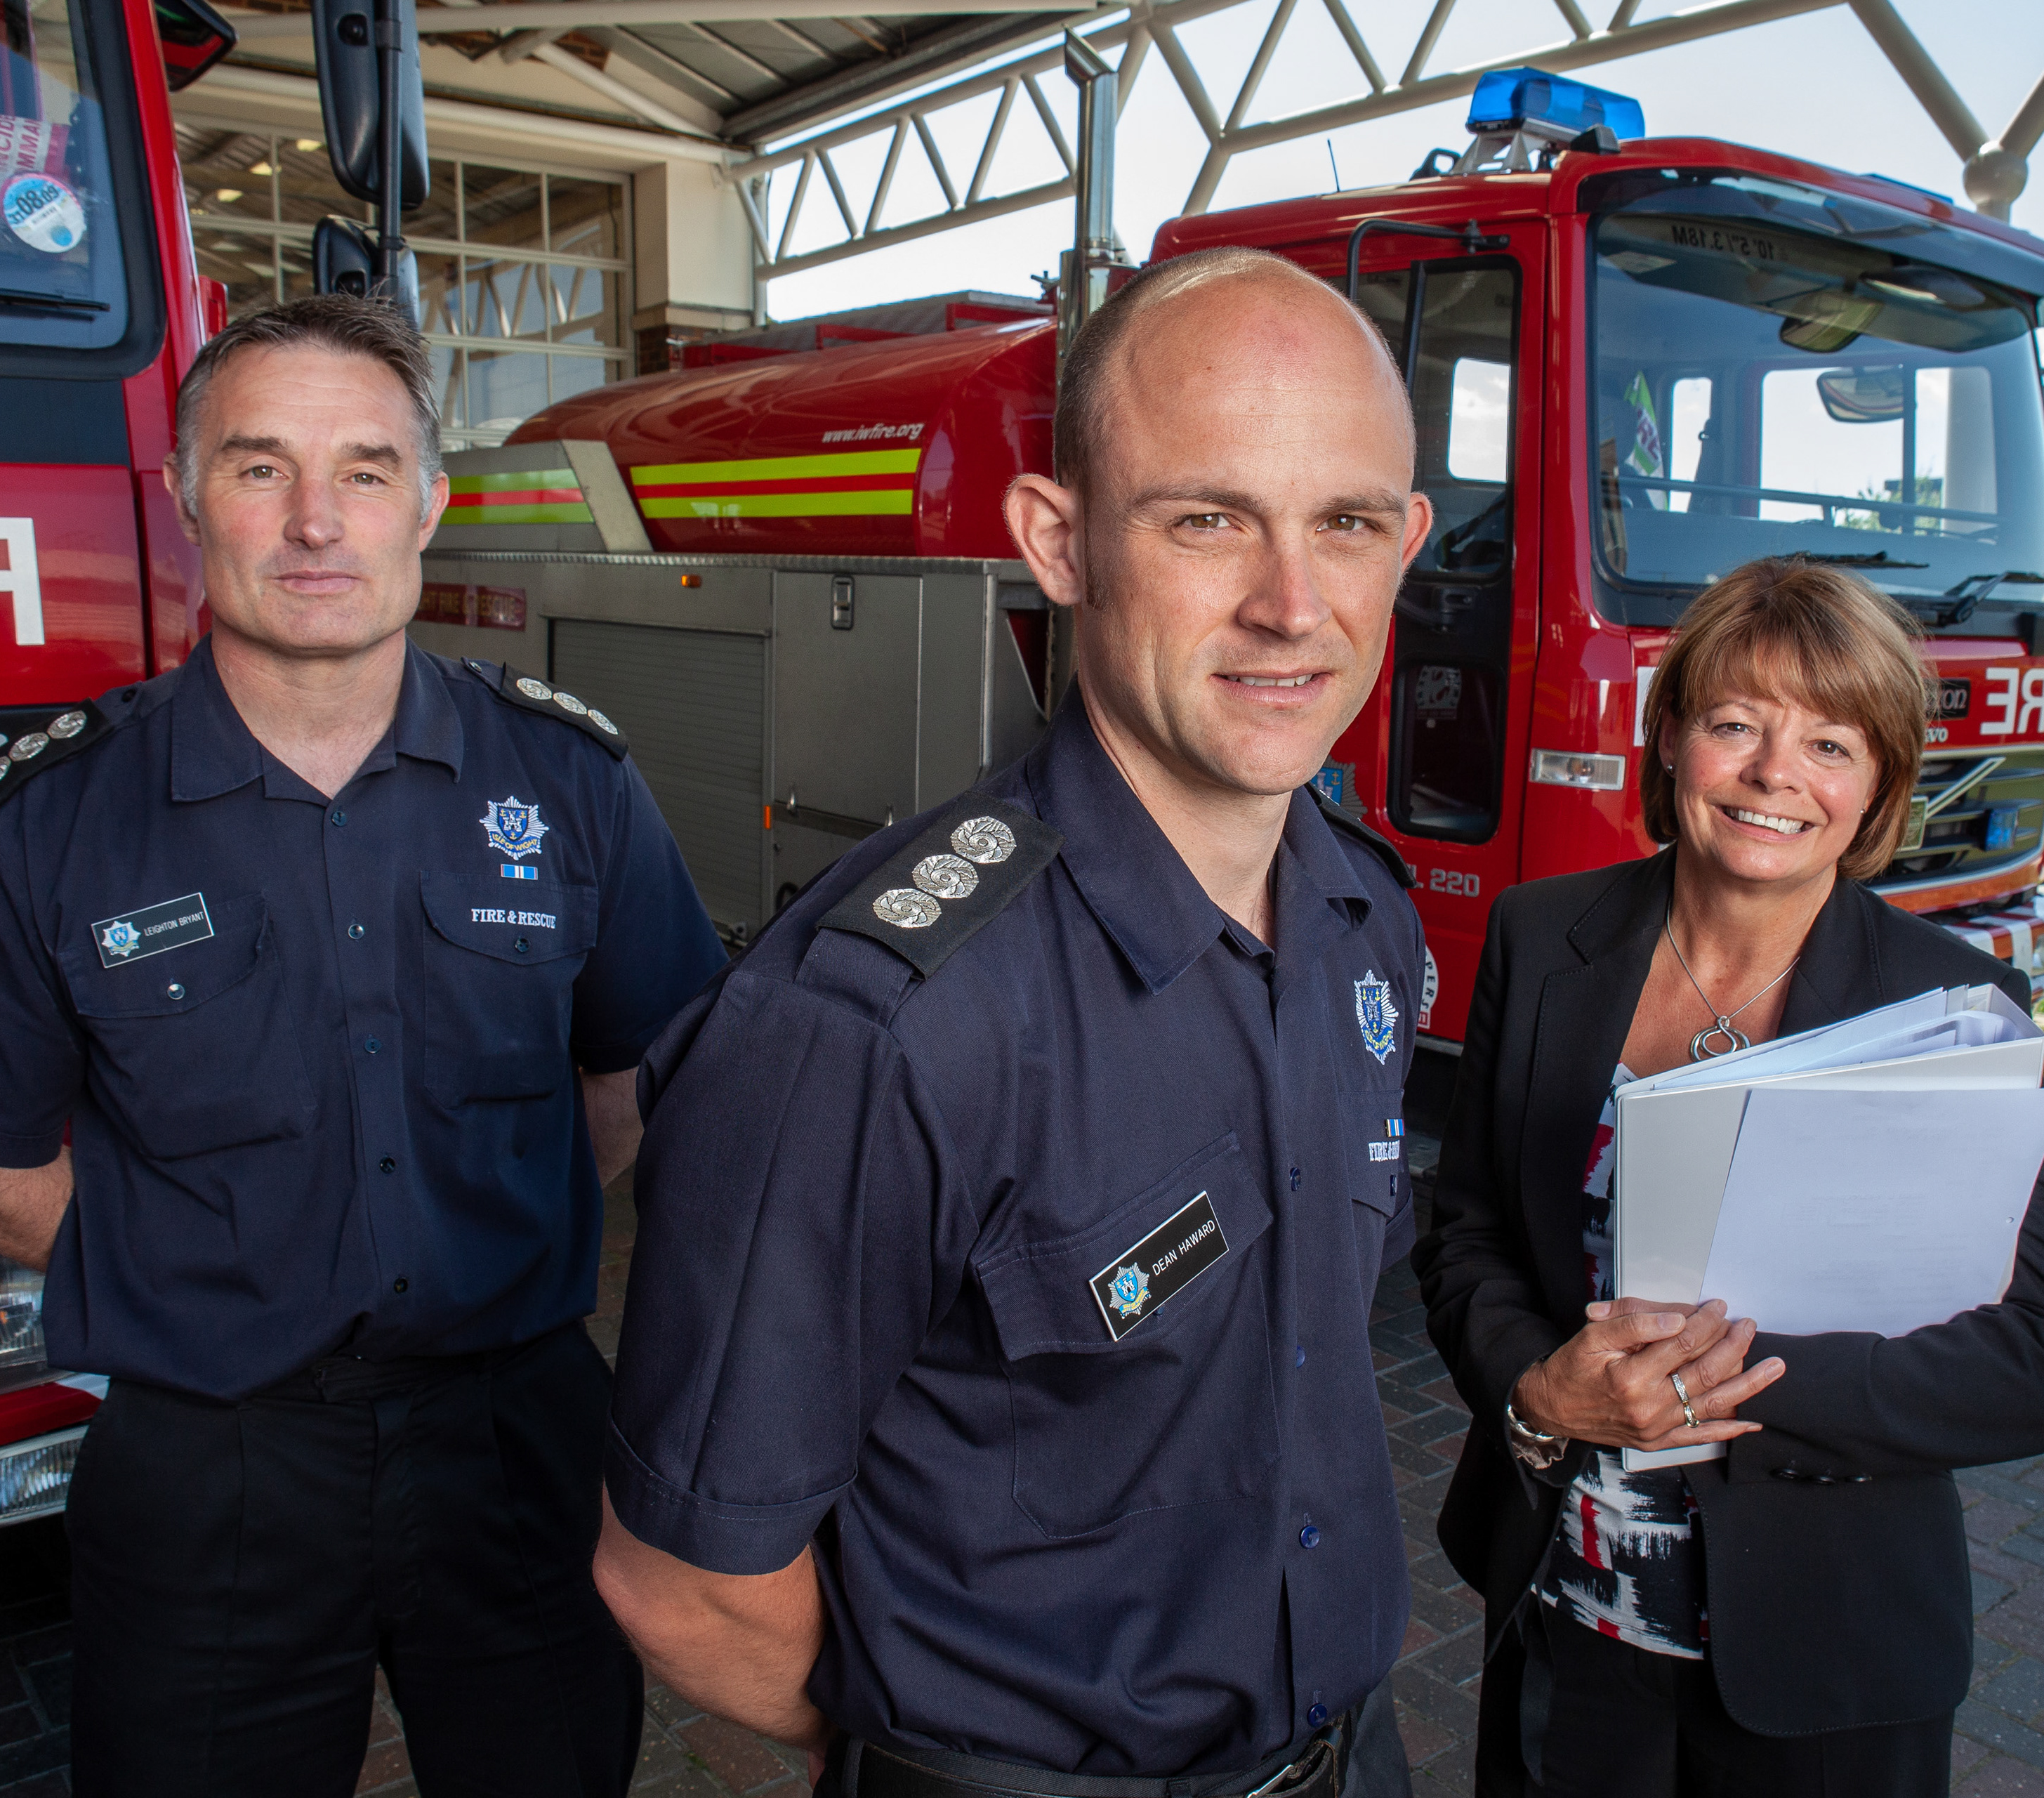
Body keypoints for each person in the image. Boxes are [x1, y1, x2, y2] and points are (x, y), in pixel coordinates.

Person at [0, 294, 725, 1796]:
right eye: (261, 468)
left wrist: (487, 1230)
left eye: (365, 470)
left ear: (428, 503)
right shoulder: (52, 815)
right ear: (186, 498)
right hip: (209, 1466)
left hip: (518, 1442)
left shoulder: (568, 778)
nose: (317, 521)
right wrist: (218, 1282)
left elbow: (638, 1071)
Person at [591, 246, 1436, 1798]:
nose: (1292, 604)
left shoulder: (1362, 921)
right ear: (1057, 541)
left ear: (1408, 543)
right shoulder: (874, 1029)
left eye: (1347, 523)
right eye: (1208, 518)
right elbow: (686, 1586)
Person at [1412, 558, 2044, 1797]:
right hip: (1567, 1606)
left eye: (1830, 744)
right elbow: (1466, 1233)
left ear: (1879, 785)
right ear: (1671, 738)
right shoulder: (1540, 934)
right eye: (1737, 724)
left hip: (1823, 1654)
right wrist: (1538, 1386)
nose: (1774, 774)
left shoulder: (1949, 1007)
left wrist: (1730, 1386)